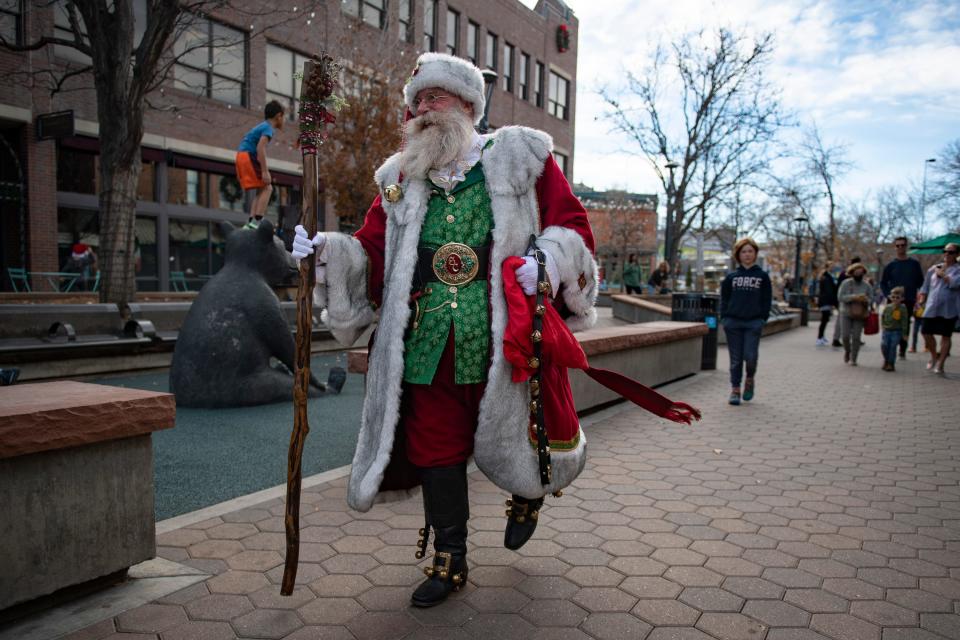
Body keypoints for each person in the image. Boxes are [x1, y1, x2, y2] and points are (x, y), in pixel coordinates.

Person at [291, 53, 600, 608]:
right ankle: (449, 560)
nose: (422, 109)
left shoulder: (519, 155)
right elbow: (372, 251)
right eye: (417, 101)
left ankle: (529, 493)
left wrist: (547, 263)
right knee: (435, 446)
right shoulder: (399, 177)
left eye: (435, 97)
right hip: (427, 342)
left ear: (467, 105)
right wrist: (326, 253)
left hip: (504, 334)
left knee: (523, 432)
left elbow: (570, 224)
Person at [720, 238, 772, 405]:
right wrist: (725, 318)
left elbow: (766, 300)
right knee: (735, 360)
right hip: (733, 323)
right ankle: (735, 389)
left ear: (755, 254)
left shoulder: (762, 276)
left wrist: (762, 319)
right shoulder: (731, 277)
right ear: (738, 255)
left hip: (753, 323)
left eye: (750, 251)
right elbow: (724, 299)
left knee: (750, 357)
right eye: (744, 251)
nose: (747, 254)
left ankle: (749, 379)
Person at [235, 100, 285, 228]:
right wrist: (265, 171)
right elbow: (260, 148)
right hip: (248, 156)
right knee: (268, 187)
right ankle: (257, 221)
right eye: (283, 117)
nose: (284, 121)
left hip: (241, 156)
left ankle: (251, 222)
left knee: (262, 189)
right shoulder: (268, 128)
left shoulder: (262, 126)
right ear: (279, 116)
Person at [918, 242, 960, 375]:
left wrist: (943, 275)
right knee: (925, 332)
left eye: (951, 252)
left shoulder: (958, 270)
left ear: (957, 255)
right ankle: (933, 356)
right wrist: (921, 299)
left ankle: (940, 364)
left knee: (945, 336)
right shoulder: (933, 269)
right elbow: (925, 287)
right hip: (931, 307)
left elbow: (954, 284)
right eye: (945, 251)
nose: (947, 254)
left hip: (949, 309)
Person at [880, 237, 925, 359]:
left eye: (903, 245)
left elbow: (920, 281)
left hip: (909, 299)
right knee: (893, 323)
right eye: (898, 245)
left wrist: (920, 295)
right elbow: (883, 282)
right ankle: (891, 347)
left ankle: (902, 349)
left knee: (905, 324)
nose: (900, 247)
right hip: (893, 300)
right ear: (895, 247)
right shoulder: (890, 265)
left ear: (906, 246)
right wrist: (888, 295)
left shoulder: (914, 264)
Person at [837, 262, 872, 366]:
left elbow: (871, 298)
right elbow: (840, 297)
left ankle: (854, 358)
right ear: (852, 272)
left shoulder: (867, 286)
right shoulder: (846, 283)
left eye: (861, 272)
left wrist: (865, 299)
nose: (859, 274)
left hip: (860, 314)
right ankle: (847, 350)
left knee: (856, 337)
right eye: (856, 272)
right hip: (846, 312)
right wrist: (853, 297)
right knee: (845, 336)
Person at [832, 256, 861, 347]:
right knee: (842, 320)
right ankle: (837, 339)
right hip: (845, 301)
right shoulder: (846, 274)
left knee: (846, 320)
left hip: (849, 302)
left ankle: (850, 338)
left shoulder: (844, 273)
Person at [880, 287, 909, 371]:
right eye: (893, 297)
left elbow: (904, 321)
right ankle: (886, 360)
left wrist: (904, 334)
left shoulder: (903, 308)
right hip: (887, 330)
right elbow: (883, 316)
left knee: (892, 347)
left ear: (902, 298)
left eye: (897, 297)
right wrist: (883, 325)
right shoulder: (887, 307)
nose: (895, 299)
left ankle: (890, 363)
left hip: (896, 331)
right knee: (884, 345)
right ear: (890, 297)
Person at [816, 265, 838, 346]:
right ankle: (819, 337)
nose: (832, 268)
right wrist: (833, 302)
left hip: (824, 301)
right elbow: (829, 291)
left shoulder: (825, 277)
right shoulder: (827, 278)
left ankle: (821, 336)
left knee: (825, 319)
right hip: (825, 301)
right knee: (824, 320)